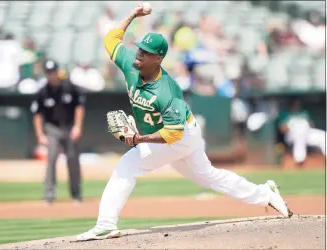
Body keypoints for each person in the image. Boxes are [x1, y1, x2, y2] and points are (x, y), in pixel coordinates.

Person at [76, 5, 293, 241]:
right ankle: (266, 194)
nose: (139, 54)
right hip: (179, 134)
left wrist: (138, 140)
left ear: (158, 59)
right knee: (208, 176)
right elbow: (112, 38)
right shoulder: (130, 63)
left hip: (180, 135)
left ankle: (106, 224)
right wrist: (133, 15)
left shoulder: (167, 91)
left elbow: (173, 134)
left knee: (127, 166)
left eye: (146, 52)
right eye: (139, 49)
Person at [31, 60, 85, 205]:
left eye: (53, 72)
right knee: (52, 159)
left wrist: (78, 127)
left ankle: (76, 195)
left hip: (69, 127)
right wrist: (40, 135)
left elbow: (79, 107)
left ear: (57, 72)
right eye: (48, 73)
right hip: (52, 128)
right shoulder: (43, 91)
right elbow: (37, 114)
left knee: (73, 160)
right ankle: (49, 196)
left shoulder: (69, 87)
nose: (51, 76)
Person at [278, 100, 326, 167]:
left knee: (323, 135)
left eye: (298, 104)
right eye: (295, 104)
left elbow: (312, 125)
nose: (297, 105)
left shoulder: (304, 113)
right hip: (291, 135)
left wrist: (305, 125)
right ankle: (299, 161)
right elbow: (282, 129)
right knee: (299, 134)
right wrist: (293, 126)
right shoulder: (286, 114)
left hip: (306, 133)